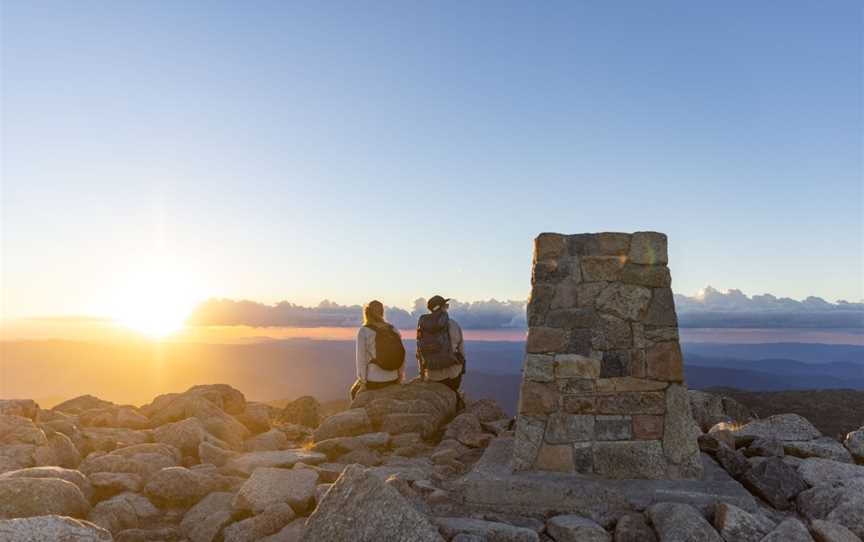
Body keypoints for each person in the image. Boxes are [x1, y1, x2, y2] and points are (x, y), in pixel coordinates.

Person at [351, 300, 406, 400]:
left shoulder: (364, 330)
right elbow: (401, 353)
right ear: (382, 312)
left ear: (367, 313)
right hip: (393, 378)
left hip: (374, 381)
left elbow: (361, 360)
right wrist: (399, 376)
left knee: (353, 392)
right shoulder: (393, 329)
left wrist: (363, 382)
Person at [416, 295, 465, 393]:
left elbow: (419, 351)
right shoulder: (453, 324)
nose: (447, 308)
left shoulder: (422, 326)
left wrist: (422, 374)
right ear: (441, 308)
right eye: (446, 305)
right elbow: (461, 351)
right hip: (452, 376)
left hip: (432, 375)